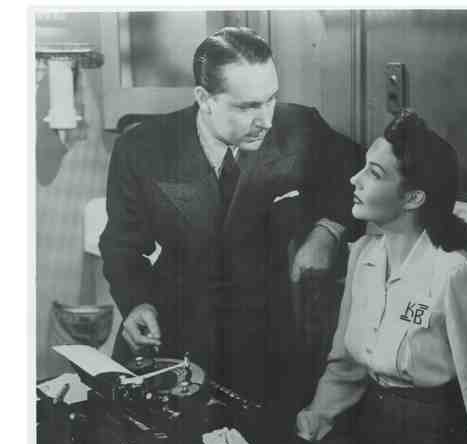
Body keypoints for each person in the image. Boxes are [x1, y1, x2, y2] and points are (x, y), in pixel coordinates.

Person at [99, 27, 362, 406]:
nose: (265, 119)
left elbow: (361, 176)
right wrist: (137, 303)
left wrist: (328, 232)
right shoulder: (142, 148)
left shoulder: (300, 128)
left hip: (270, 332)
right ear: (204, 99)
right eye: (247, 107)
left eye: (271, 99)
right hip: (176, 325)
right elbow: (121, 245)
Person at [295, 110, 467, 444]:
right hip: (369, 429)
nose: (354, 179)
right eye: (363, 166)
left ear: (413, 198)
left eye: (374, 173)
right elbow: (345, 366)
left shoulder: (459, 275)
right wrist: (310, 426)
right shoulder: (363, 256)